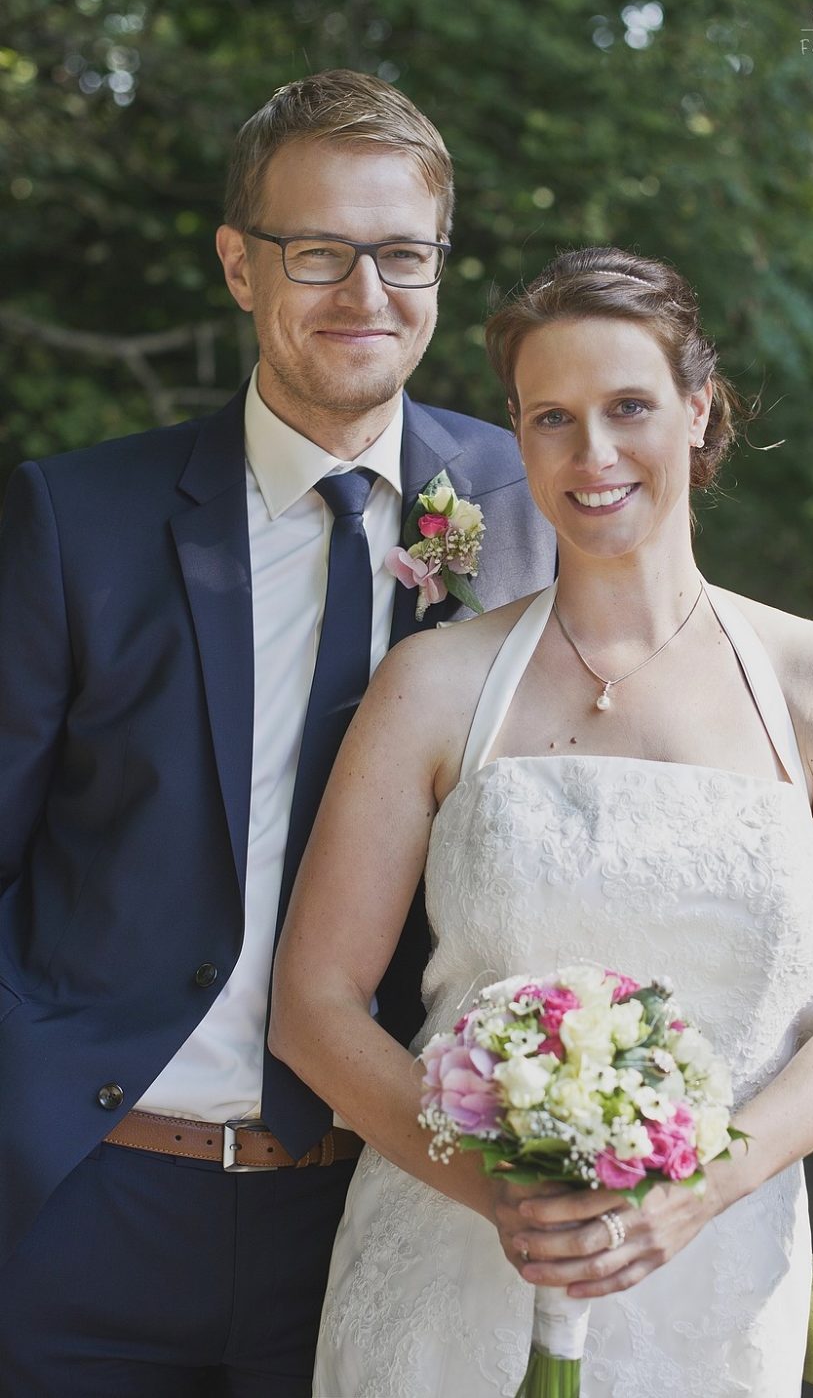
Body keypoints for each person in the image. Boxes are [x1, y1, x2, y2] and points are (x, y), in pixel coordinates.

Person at [270, 246, 813, 1396]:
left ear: (698, 408)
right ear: (518, 438)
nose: (595, 454)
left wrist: (701, 1190)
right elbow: (313, 1003)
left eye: (629, 407)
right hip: (448, 1273)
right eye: (553, 418)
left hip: (716, 1281)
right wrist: (498, 1189)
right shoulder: (435, 683)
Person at [0, 70, 555, 1395]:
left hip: (385, 1213)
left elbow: (659, 723)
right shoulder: (78, 521)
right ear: (239, 264)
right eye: (318, 251)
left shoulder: (532, 507)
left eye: (403, 253)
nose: (366, 292)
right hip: (90, 1199)